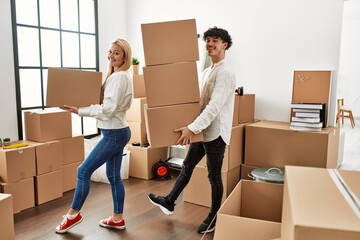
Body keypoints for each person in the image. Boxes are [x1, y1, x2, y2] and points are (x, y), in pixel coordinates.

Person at [148, 27, 235, 234]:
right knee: (187, 166)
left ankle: (214, 215)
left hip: (215, 133)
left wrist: (191, 128)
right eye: (207, 40)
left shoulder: (225, 73)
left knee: (213, 176)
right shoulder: (207, 71)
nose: (210, 44)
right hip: (201, 130)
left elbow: (214, 107)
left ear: (225, 45)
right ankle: (169, 201)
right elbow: (197, 103)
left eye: (215, 40)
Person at [55, 38, 133, 234]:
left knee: (83, 171)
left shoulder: (119, 77)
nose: (111, 55)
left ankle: (72, 216)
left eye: (117, 52)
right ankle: (117, 219)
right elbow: (108, 108)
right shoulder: (117, 76)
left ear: (125, 56)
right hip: (118, 130)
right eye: (110, 51)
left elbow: (107, 110)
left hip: (114, 134)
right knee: (114, 176)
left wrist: (79, 111)